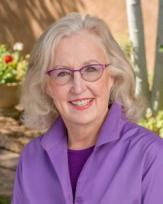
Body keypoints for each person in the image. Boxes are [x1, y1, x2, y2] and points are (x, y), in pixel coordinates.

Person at [12, 12, 163, 204]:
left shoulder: (152, 157)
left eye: (91, 69)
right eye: (62, 73)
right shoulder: (31, 159)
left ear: (114, 77)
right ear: (46, 86)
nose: (78, 87)